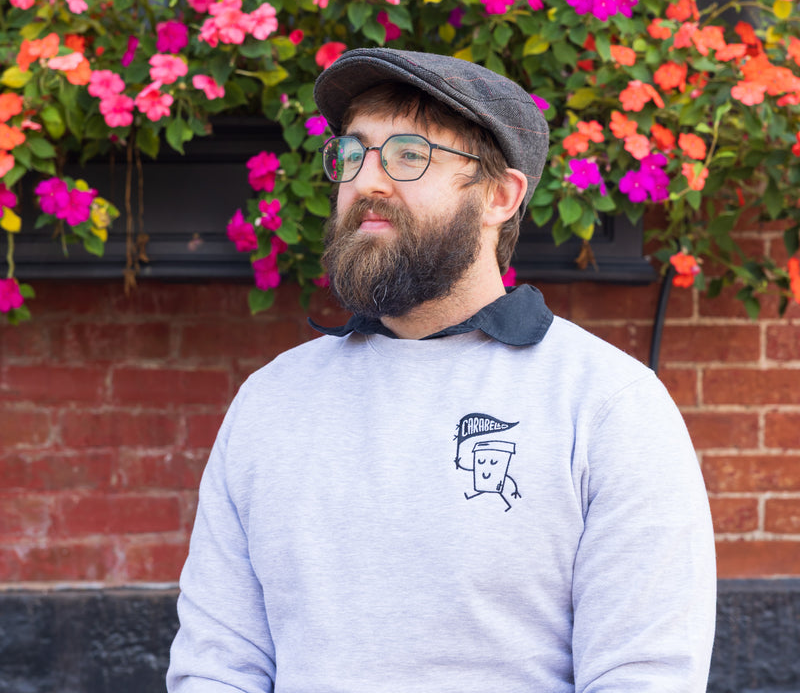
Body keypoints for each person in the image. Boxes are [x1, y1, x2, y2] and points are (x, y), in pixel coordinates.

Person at [167, 48, 716, 692]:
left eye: (408, 155)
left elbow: (644, 675)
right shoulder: (272, 401)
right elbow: (218, 666)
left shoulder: (606, 403)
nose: (367, 182)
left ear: (498, 196)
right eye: (353, 155)